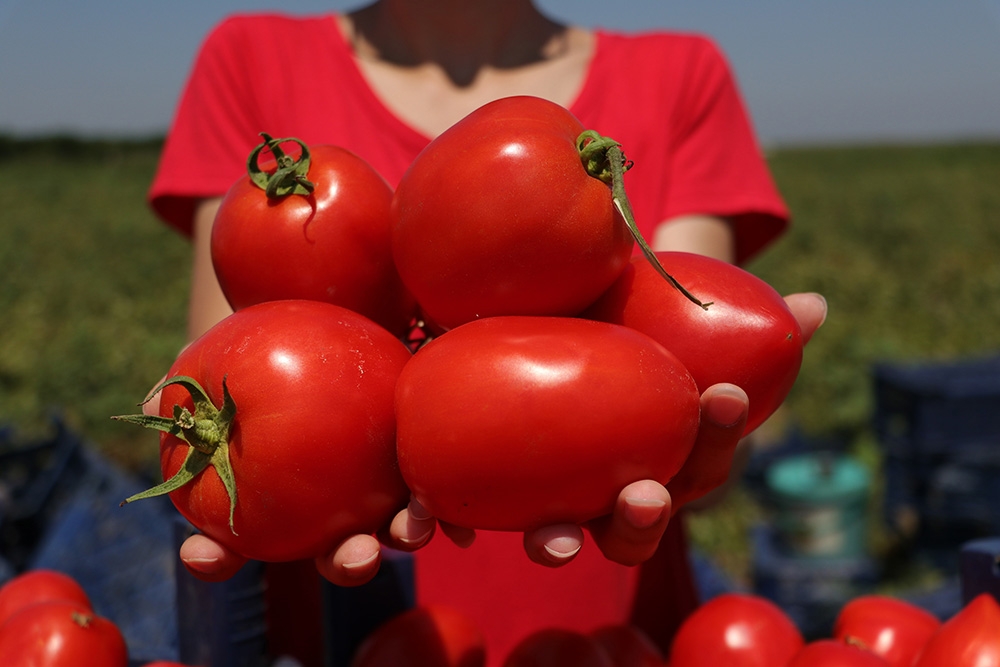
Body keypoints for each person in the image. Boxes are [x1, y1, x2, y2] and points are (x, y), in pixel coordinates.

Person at [147, 1, 828, 662]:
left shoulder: (679, 73)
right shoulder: (250, 58)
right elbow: (233, 355)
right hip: (340, 616)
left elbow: (682, 376)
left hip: (609, 620)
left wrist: (696, 446)